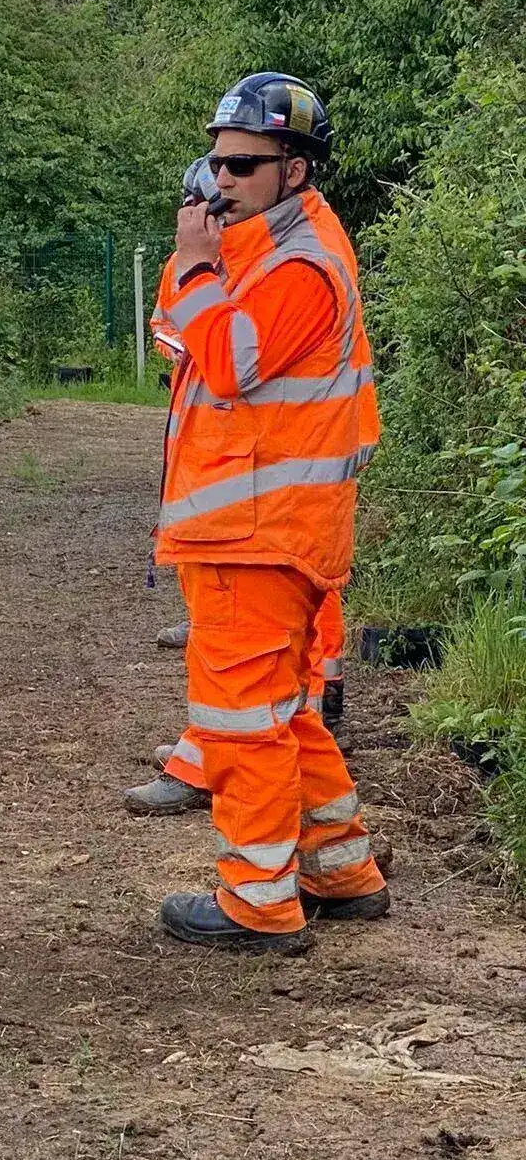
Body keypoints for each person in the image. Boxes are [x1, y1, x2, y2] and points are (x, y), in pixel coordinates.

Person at [150, 72, 387, 953]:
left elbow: (225, 362)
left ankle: (258, 902)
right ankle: (340, 871)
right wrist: (200, 268)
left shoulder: (298, 265)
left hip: (259, 533)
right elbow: (178, 334)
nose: (222, 179)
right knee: (283, 712)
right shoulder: (267, 245)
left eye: (242, 165)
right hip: (260, 526)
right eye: (216, 162)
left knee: (240, 721)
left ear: (295, 169)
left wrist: (195, 265)